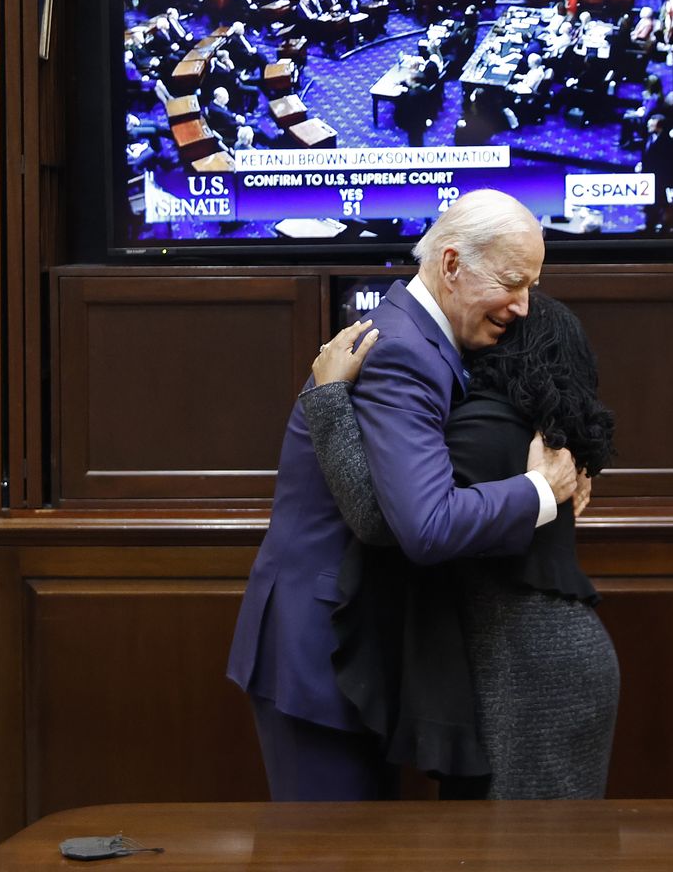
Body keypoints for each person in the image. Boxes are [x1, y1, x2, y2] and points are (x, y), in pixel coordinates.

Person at [226, 191, 581, 801]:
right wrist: (539, 491)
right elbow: (427, 524)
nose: (524, 306)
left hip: (353, 642)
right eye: (513, 283)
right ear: (451, 265)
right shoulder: (402, 353)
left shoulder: (425, 339)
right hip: (323, 650)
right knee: (329, 858)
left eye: (533, 285)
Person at [305, 289, 618, 798]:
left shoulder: (490, 425)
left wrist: (330, 399)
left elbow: (387, 521)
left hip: (528, 667)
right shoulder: (537, 431)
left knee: (523, 847)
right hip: (544, 659)